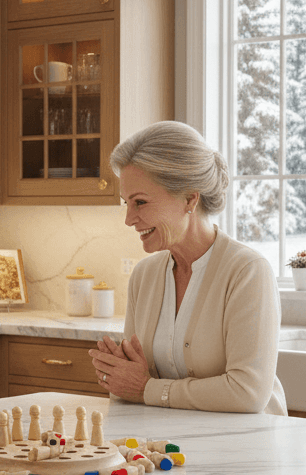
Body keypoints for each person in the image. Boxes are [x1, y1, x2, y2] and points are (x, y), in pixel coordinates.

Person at [88, 121, 286, 415]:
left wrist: (146, 389)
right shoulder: (144, 276)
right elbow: (132, 387)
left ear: (190, 199)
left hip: (246, 449)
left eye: (140, 202)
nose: (129, 219)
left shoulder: (248, 271)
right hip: (170, 448)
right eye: (126, 204)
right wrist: (119, 376)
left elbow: (248, 393)